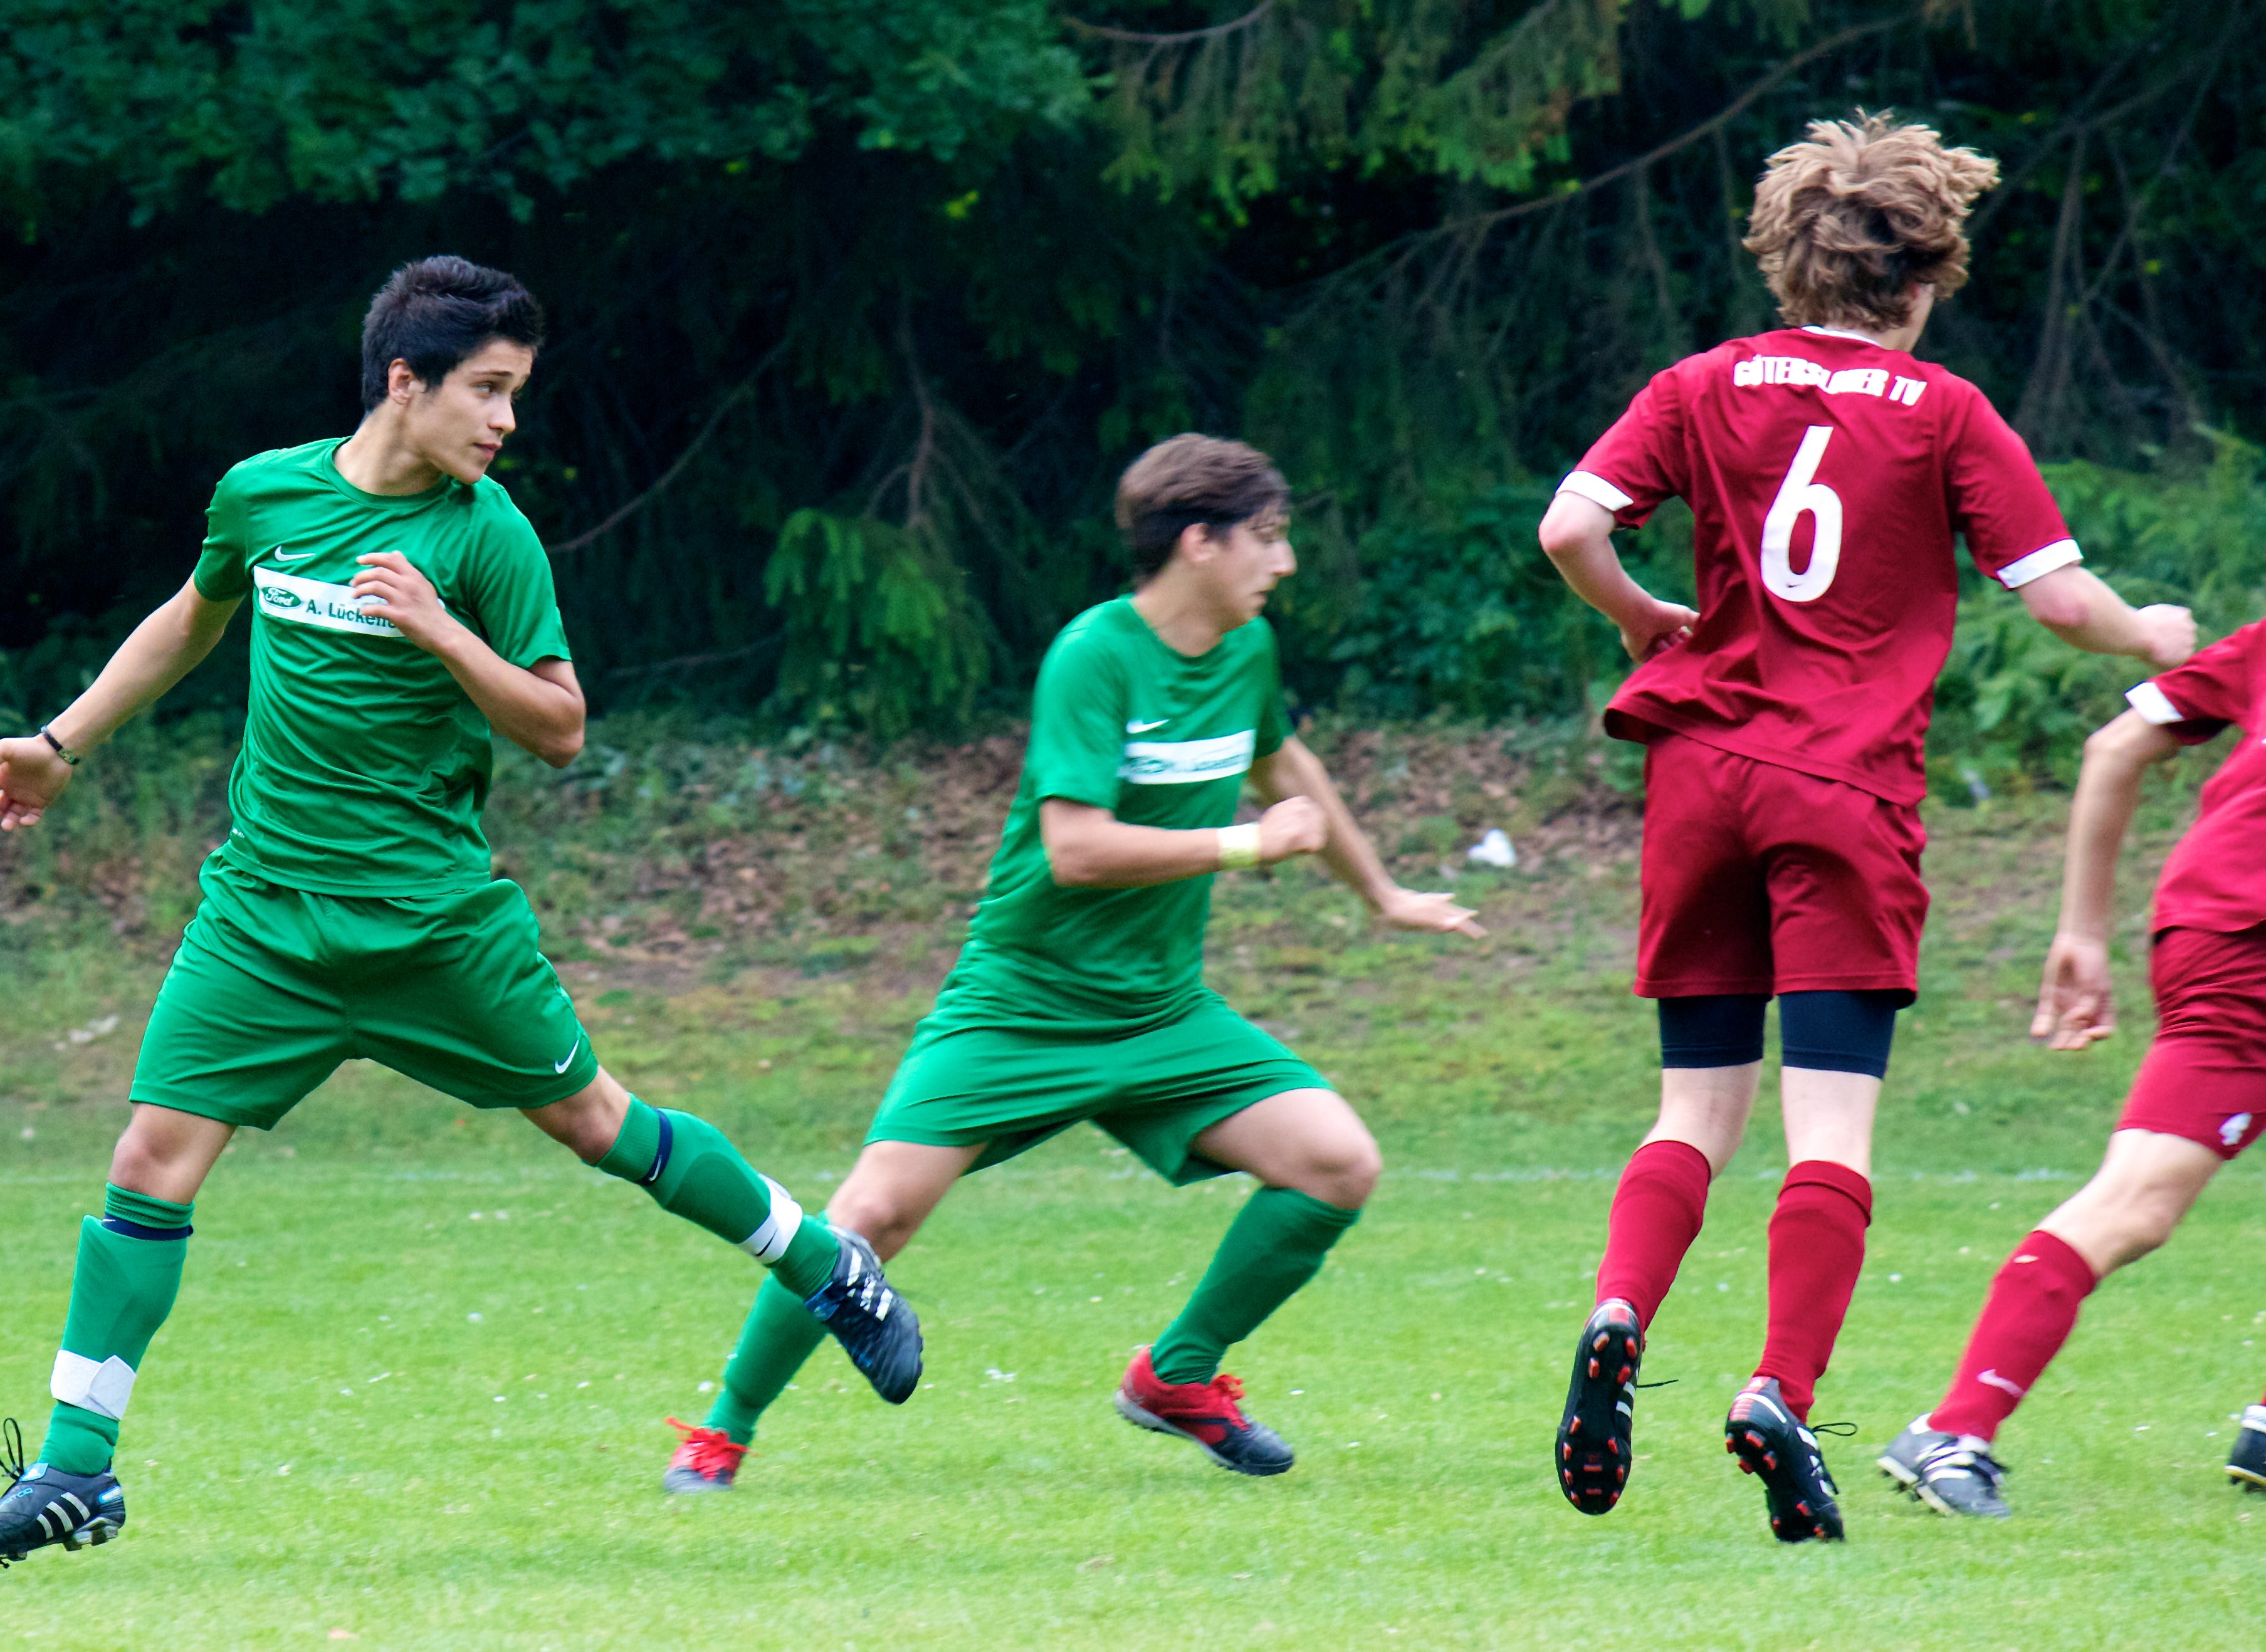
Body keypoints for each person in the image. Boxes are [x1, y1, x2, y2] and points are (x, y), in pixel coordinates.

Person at [0, 256, 920, 1567]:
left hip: (435, 925)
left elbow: (561, 727)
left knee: (600, 1125)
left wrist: (445, 632)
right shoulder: (265, 493)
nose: (505, 421)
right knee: (147, 1164)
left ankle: (822, 1265)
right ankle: (76, 1471)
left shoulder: (487, 535)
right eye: (487, 391)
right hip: (265, 917)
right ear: (406, 380)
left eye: (516, 395)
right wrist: (61, 744)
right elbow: (191, 617)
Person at [1534, 115, 2195, 1543]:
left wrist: (1642, 618)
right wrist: (2154, 632)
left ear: (1787, 257)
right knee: (1828, 1127)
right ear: (1928, 272)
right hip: (1842, 790)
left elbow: (1567, 531)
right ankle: (1778, 1391)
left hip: (1700, 775)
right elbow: (2059, 602)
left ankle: (1618, 1312)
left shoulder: (1701, 382)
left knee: (1692, 1111)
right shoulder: (1943, 412)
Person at [658, 434, 1484, 1494]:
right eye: (1268, 538)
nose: (1284, 563)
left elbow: (1287, 766)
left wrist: (1383, 894)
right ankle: (720, 1434)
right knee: (869, 1221)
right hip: (1021, 1004)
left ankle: (1176, 1378)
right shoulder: (1093, 656)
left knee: (1336, 1164)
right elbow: (1077, 849)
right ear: (1199, 542)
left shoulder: (1247, 650)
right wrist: (1246, 845)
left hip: (1163, 1013)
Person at [1881, 621, 2266, 1516]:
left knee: (2141, 1200)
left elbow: (2115, 746)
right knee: (2137, 1199)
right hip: (2247, 943)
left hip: (2213, 924)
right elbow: (2115, 749)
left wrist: (2084, 931)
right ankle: (1951, 1430)